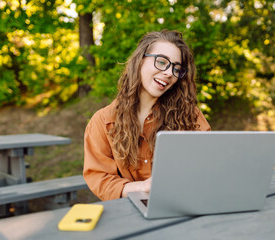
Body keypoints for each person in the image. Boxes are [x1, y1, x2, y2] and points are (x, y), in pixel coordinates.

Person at [83, 29, 211, 201]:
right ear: (140, 61)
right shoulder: (103, 121)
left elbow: (207, 164)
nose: (168, 73)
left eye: (176, 68)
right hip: (129, 211)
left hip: (182, 205)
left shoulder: (190, 115)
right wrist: (140, 187)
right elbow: (99, 177)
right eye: (162, 62)